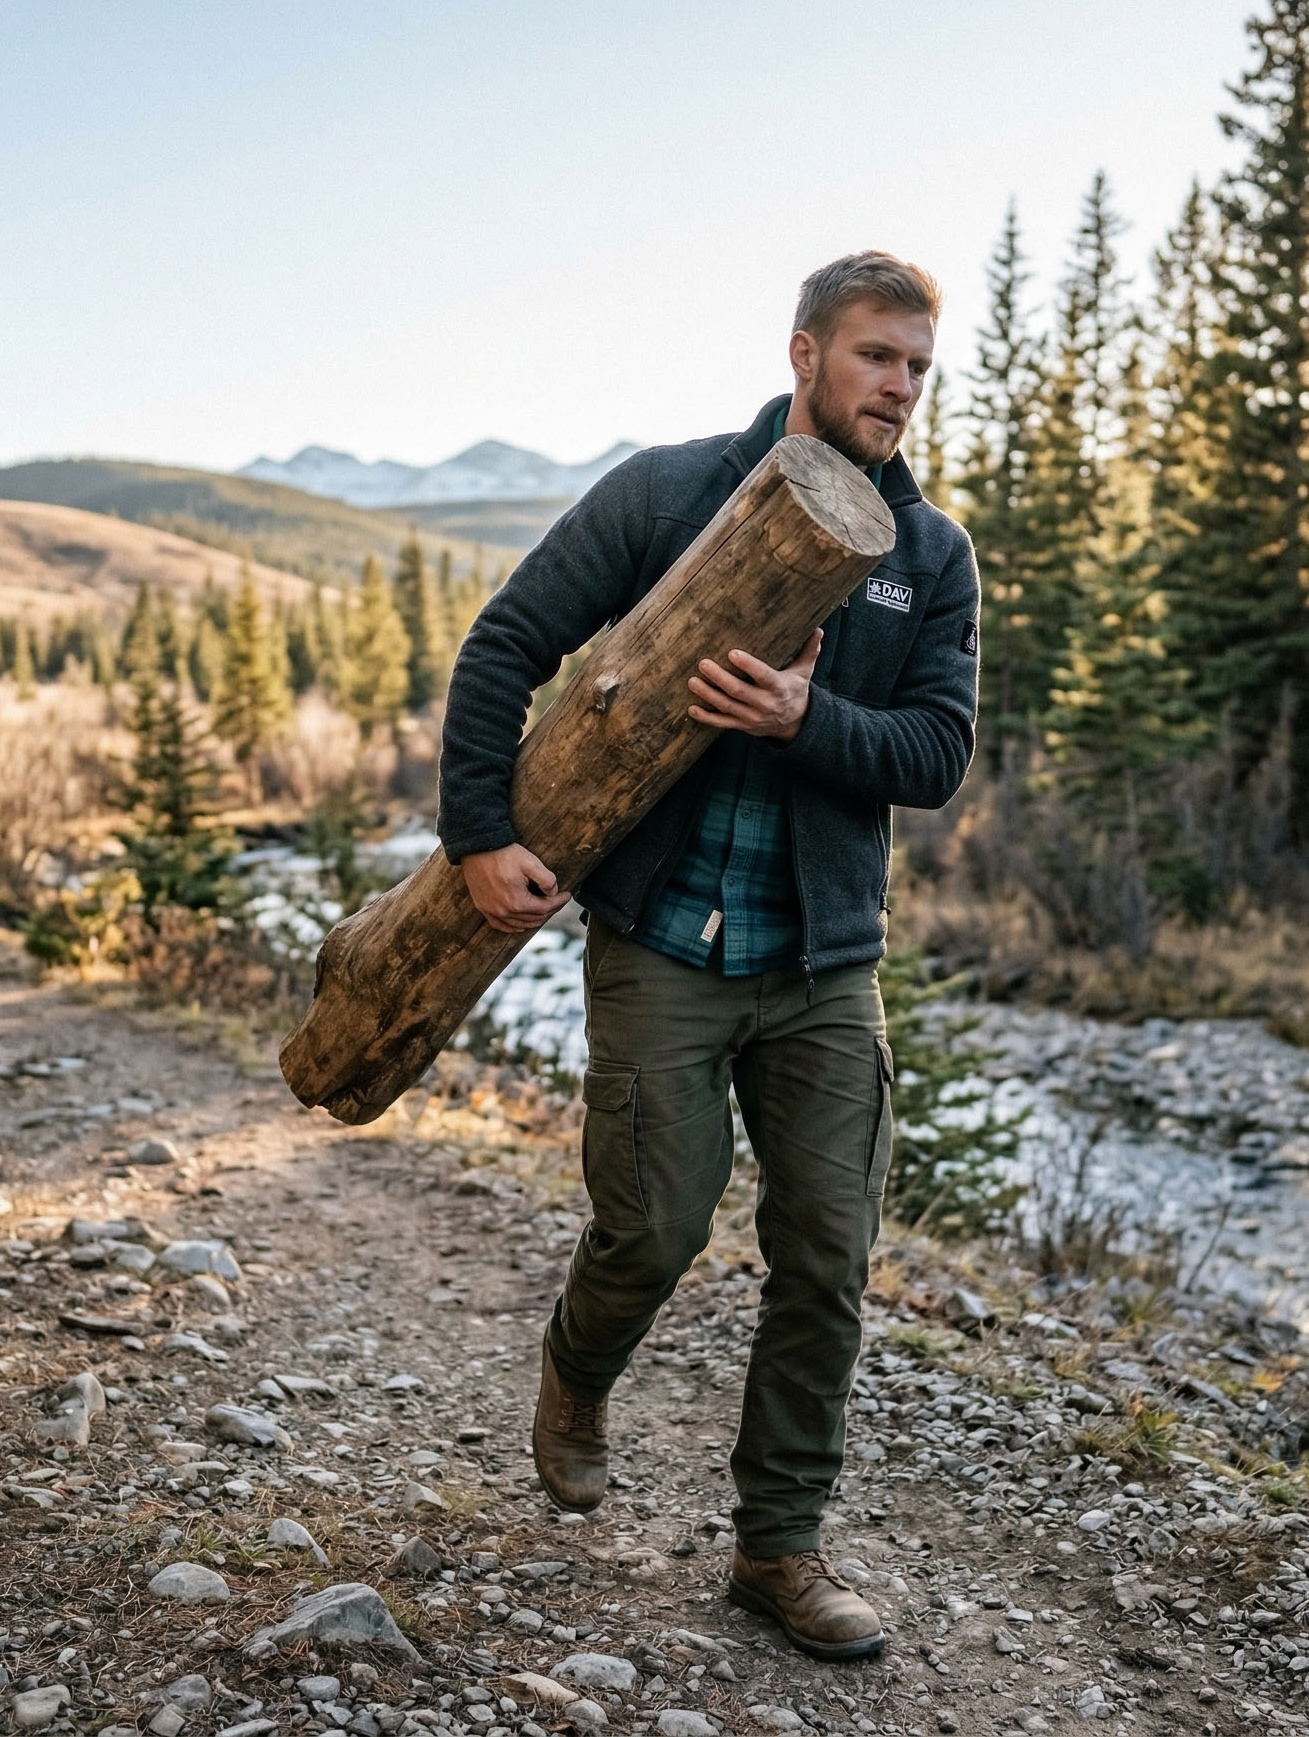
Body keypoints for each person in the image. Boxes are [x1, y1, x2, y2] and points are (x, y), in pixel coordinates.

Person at [436, 252, 979, 1662]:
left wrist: (806, 720)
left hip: (823, 965)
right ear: (804, 353)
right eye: (876, 357)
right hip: (664, 941)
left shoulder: (929, 555)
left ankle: (778, 1552)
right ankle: (576, 1368)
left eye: (919, 367)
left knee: (828, 1257)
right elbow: (506, 644)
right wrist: (479, 833)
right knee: (657, 1227)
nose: (900, 387)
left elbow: (936, 755)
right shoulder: (670, 494)